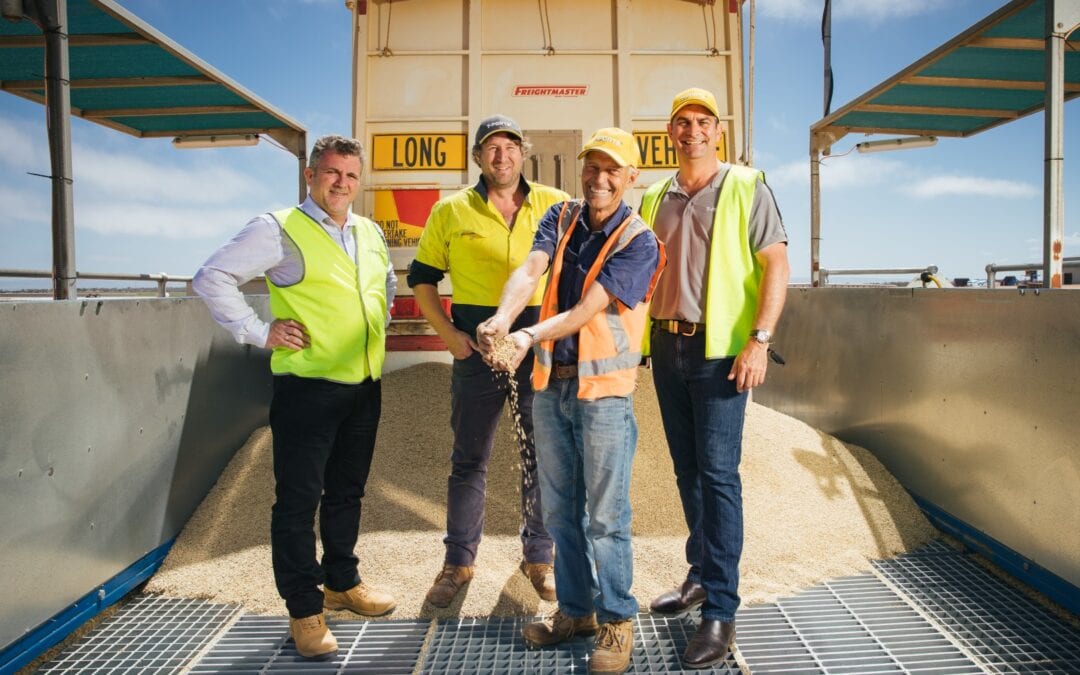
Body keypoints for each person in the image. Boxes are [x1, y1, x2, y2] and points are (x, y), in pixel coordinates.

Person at [192, 135, 397, 660]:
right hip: (307, 389)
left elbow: (385, 286)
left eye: (351, 176)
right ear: (310, 176)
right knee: (298, 501)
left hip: (363, 387)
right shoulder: (278, 227)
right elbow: (212, 277)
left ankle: (342, 582)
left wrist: (378, 325)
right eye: (331, 173)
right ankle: (305, 610)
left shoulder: (368, 231)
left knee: (347, 492)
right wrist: (260, 332)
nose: (341, 184)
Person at [478, 127, 664, 675]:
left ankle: (616, 622)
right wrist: (502, 318)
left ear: (630, 178)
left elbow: (588, 308)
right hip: (549, 388)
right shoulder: (559, 218)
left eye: (612, 170)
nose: (599, 179)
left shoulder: (640, 240)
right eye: (592, 167)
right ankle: (577, 612)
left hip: (602, 395)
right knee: (560, 512)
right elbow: (531, 269)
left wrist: (528, 336)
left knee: (607, 516)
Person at [639, 88, 790, 669]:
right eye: (682, 122)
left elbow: (776, 263)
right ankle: (700, 576)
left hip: (723, 351)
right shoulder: (655, 194)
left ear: (717, 132)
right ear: (670, 132)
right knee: (686, 470)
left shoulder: (748, 186)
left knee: (720, 475)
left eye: (703, 121)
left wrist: (759, 340)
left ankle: (721, 610)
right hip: (666, 344)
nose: (692, 131)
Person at [407, 115, 569, 608]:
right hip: (475, 350)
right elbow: (422, 279)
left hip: (536, 344)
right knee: (468, 460)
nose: (502, 156)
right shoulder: (450, 210)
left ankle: (539, 559)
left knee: (542, 457)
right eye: (491, 148)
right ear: (477, 157)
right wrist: (451, 337)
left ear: (524, 152)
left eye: (510, 146)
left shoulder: (555, 204)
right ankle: (458, 562)